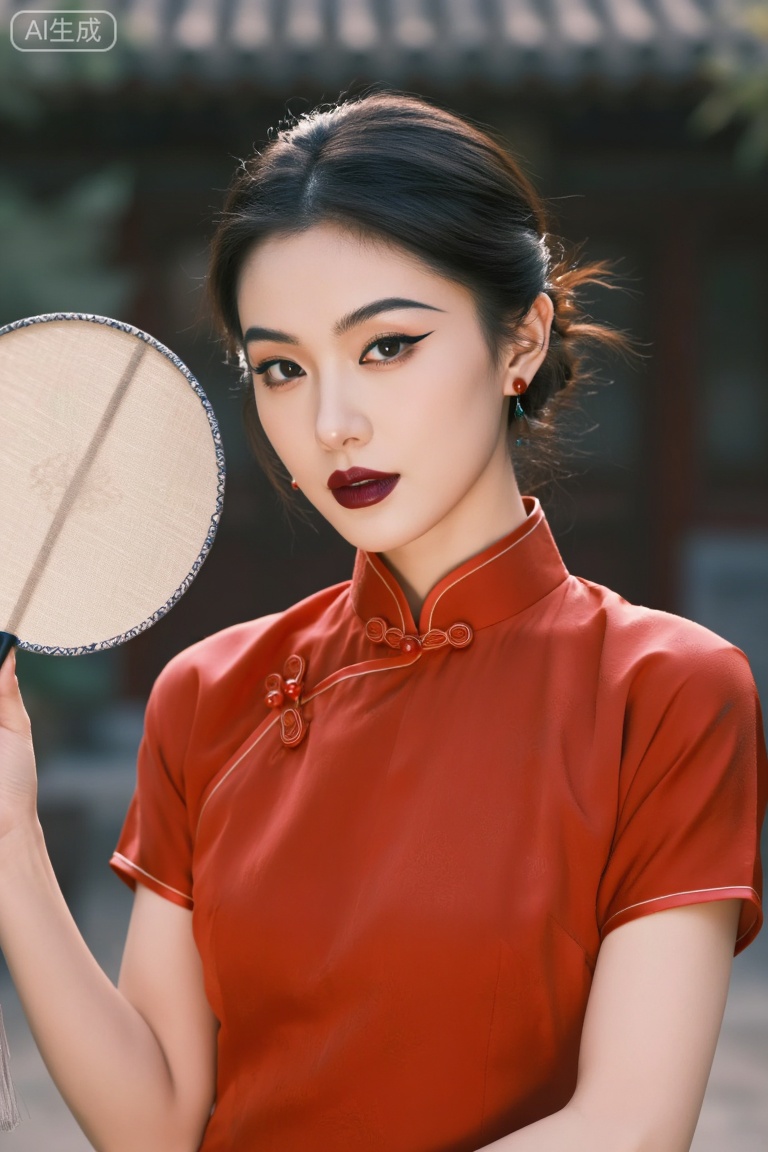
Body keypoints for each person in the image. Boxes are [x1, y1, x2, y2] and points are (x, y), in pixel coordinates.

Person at [0, 90, 765, 1152]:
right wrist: (8, 840)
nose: (329, 422)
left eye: (388, 347)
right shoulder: (210, 693)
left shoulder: (665, 691)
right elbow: (157, 1122)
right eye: (281, 368)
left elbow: (628, 1126)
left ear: (522, 341)